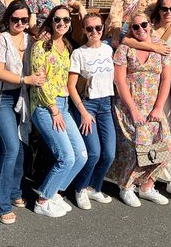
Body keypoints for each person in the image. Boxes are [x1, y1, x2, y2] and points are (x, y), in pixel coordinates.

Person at [0, 0, 46, 224]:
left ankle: (14, 192)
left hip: (24, 98)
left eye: (24, 19)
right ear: (7, 19)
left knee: (21, 148)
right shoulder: (1, 40)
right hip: (2, 98)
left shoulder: (31, 40)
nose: (20, 23)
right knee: (10, 149)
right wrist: (26, 79)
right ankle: (0, 206)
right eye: (15, 19)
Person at [122, 0, 171, 196]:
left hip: (165, 88)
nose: (168, 12)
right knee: (147, 136)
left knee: (165, 133)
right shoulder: (146, 27)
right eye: (164, 8)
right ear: (158, 10)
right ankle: (145, 179)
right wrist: (152, 46)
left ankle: (169, 177)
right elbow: (126, 39)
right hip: (142, 92)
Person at [108, 12, 171, 207]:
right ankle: (127, 186)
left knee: (164, 148)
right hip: (130, 106)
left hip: (154, 107)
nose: (140, 29)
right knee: (138, 149)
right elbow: (119, 80)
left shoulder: (161, 48)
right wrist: (134, 110)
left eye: (144, 25)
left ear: (151, 24)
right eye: (135, 27)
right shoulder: (124, 49)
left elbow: (166, 78)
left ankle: (147, 186)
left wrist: (159, 107)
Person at [30, 5, 87, 217]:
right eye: (57, 20)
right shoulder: (41, 46)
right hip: (46, 106)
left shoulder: (68, 46)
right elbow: (39, 81)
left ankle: (54, 192)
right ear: (51, 21)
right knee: (66, 157)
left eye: (66, 20)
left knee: (81, 155)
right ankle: (43, 200)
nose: (62, 23)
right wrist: (53, 109)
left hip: (63, 104)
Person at [67, 13, 116, 210]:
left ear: (103, 28)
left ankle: (94, 187)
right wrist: (83, 112)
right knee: (93, 153)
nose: (94, 32)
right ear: (84, 31)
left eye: (98, 28)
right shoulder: (79, 53)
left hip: (106, 104)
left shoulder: (108, 49)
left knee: (110, 154)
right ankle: (80, 188)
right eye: (89, 29)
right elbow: (71, 86)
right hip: (88, 105)